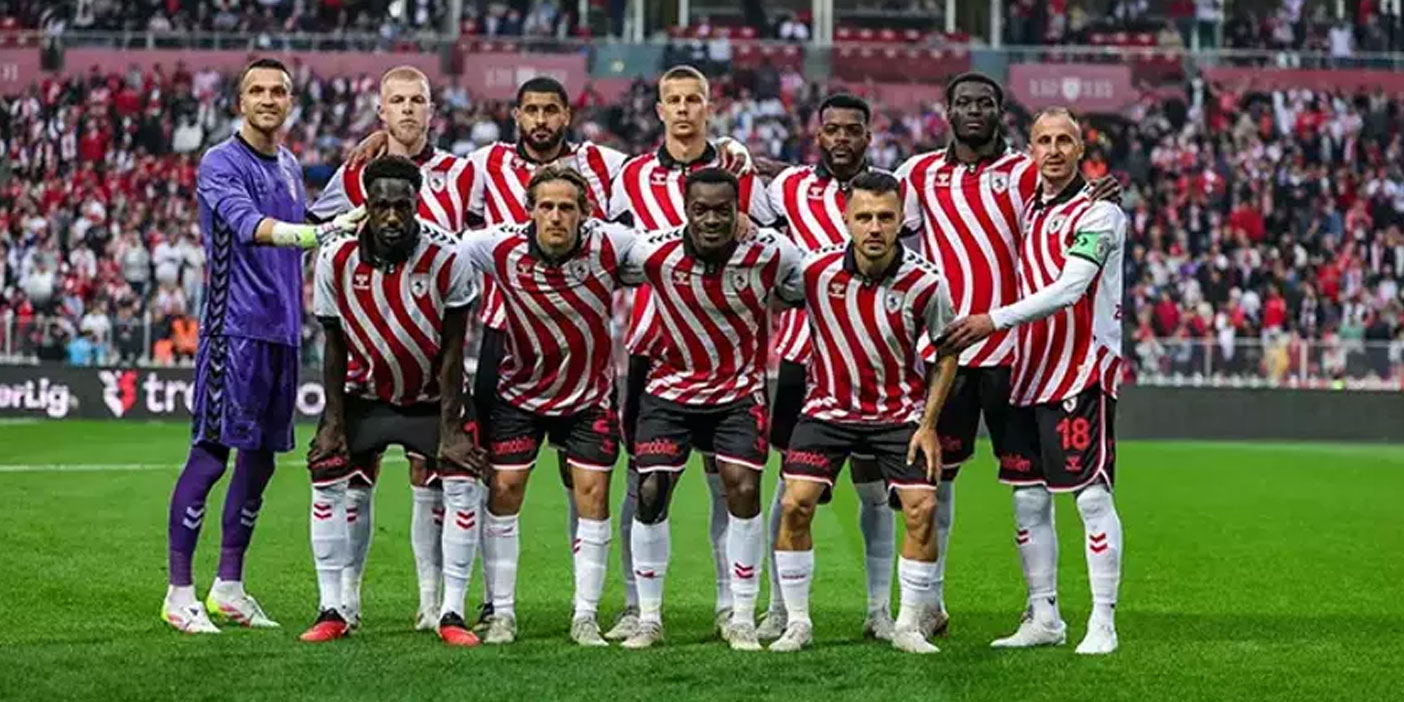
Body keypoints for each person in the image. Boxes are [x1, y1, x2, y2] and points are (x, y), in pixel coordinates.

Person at [894, 72, 1116, 633]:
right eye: (964, 102)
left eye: (986, 103)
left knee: (1028, 489)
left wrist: (1105, 189)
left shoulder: (1024, 170)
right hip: (947, 354)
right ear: (947, 110)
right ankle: (927, 605)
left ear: (1000, 112)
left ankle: (1043, 610)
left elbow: (1070, 194)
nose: (974, 111)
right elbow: (871, 210)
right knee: (933, 483)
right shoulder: (917, 173)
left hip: (1014, 356)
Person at [162, 58, 363, 635]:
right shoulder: (220, 162)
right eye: (258, 90)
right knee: (211, 454)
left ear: (291, 102)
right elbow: (251, 226)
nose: (269, 99)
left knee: (262, 461)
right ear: (240, 101)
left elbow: (307, 220)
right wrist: (321, 232)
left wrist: (355, 171)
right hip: (234, 333)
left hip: (281, 334)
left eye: (279, 91)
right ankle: (179, 593)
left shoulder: (291, 165)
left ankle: (228, 587)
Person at [941, 107, 1126, 655]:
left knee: (1090, 497)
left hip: (1079, 370)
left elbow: (1071, 288)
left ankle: (1103, 620)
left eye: (1064, 140)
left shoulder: (1099, 214)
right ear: (1030, 150)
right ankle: (1044, 615)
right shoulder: (1028, 209)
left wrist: (991, 321)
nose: (1054, 150)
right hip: (1028, 371)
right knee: (1027, 499)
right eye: (1043, 140)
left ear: (1080, 149)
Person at [605, 64, 775, 642]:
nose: (683, 109)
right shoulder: (631, 176)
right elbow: (613, 250)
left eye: (693, 99)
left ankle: (731, 606)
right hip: (654, 352)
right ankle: (637, 606)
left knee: (730, 483)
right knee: (644, 484)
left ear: (709, 106)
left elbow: (771, 241)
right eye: (673, 100)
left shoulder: (739, 172)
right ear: (658, 110)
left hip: (731, 356)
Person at [311, 65, 477, 632]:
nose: (407, 109)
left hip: (431, 351)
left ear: (432, 109)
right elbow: (319, 231)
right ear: (381, 110)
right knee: (355, 482)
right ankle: (344, 601)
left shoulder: (464, 173)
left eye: (417, 100)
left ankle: (434, 602)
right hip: (368, 352)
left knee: (434, 482)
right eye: (397, 101)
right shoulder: (353, 174)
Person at [770, 171, 958, 654]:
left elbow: (947, 351)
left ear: (901, 221)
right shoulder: (814, 271)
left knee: (923, 508)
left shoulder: (926, 282)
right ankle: (797, 622)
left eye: (885, 217)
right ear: (846, 219)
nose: (874, 227)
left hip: (898, 415)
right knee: (794, 503)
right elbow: (761, 291)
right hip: (826, 410)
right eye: (865, 217)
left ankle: (908, 625)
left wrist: (929, 424)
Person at [617, 167, 801, 651]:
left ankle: (741, 616)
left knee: (743, 488)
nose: (712, 220)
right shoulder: (652, 252)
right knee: (651, 491)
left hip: (738, 392)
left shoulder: (772, 253)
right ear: (685, 210)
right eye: (701, 210)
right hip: (669, 392)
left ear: (739, 211)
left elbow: (808, 282)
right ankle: (649, 618)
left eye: (723, 210)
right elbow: (599, 259)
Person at [459, 166, 637, 647]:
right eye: (546, 207)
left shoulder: (611, 244)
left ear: (584, 213)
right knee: (504, 490)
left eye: (566, 208)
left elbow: (665, 251)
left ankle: (585, 616)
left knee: (592, 496)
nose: (556, 216)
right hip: (520, 393)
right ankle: (501, 613)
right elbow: (440, 250)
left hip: (588, 396)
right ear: (530, 211)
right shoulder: (498, 247)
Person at [758, 93, 898, 643]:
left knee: (873, 488)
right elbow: (747, 217)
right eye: (832, 129)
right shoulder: (787, 187)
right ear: (818, 135)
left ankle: (878, 610)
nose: (842, 137)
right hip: (802, 356)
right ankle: (779, 607)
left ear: (868, 135)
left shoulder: (888, 190)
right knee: (790, 487)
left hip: (872, 358)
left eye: (852, 129)